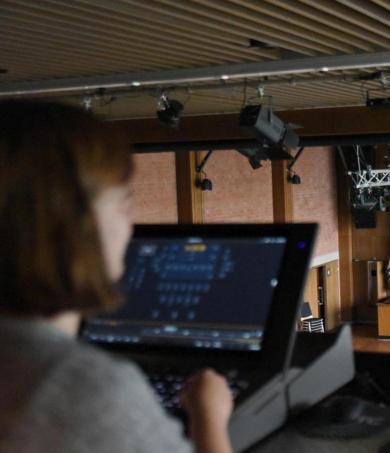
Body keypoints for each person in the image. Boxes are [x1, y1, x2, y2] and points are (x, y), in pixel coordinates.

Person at [0, 101, 233, 453]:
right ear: (73, 224)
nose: (131, 219)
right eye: (123, 200)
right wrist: (209, 415)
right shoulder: (80, 386)